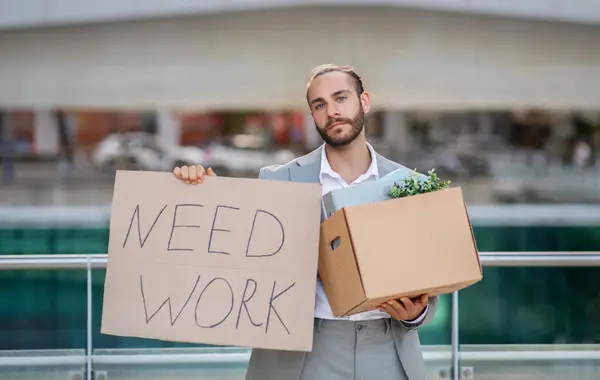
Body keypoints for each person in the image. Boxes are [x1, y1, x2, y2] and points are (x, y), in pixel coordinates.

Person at [173, 64, 438, 380]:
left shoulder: (410, 183)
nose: (332, 112)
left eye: (341, 98)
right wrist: (200, 192)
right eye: (320, 105)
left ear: (364, 102)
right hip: (305, 353)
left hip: (387, 349)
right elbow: (238, 250)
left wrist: (416, 313)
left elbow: (428, 282)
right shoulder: (278, 180)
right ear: (313, 115)